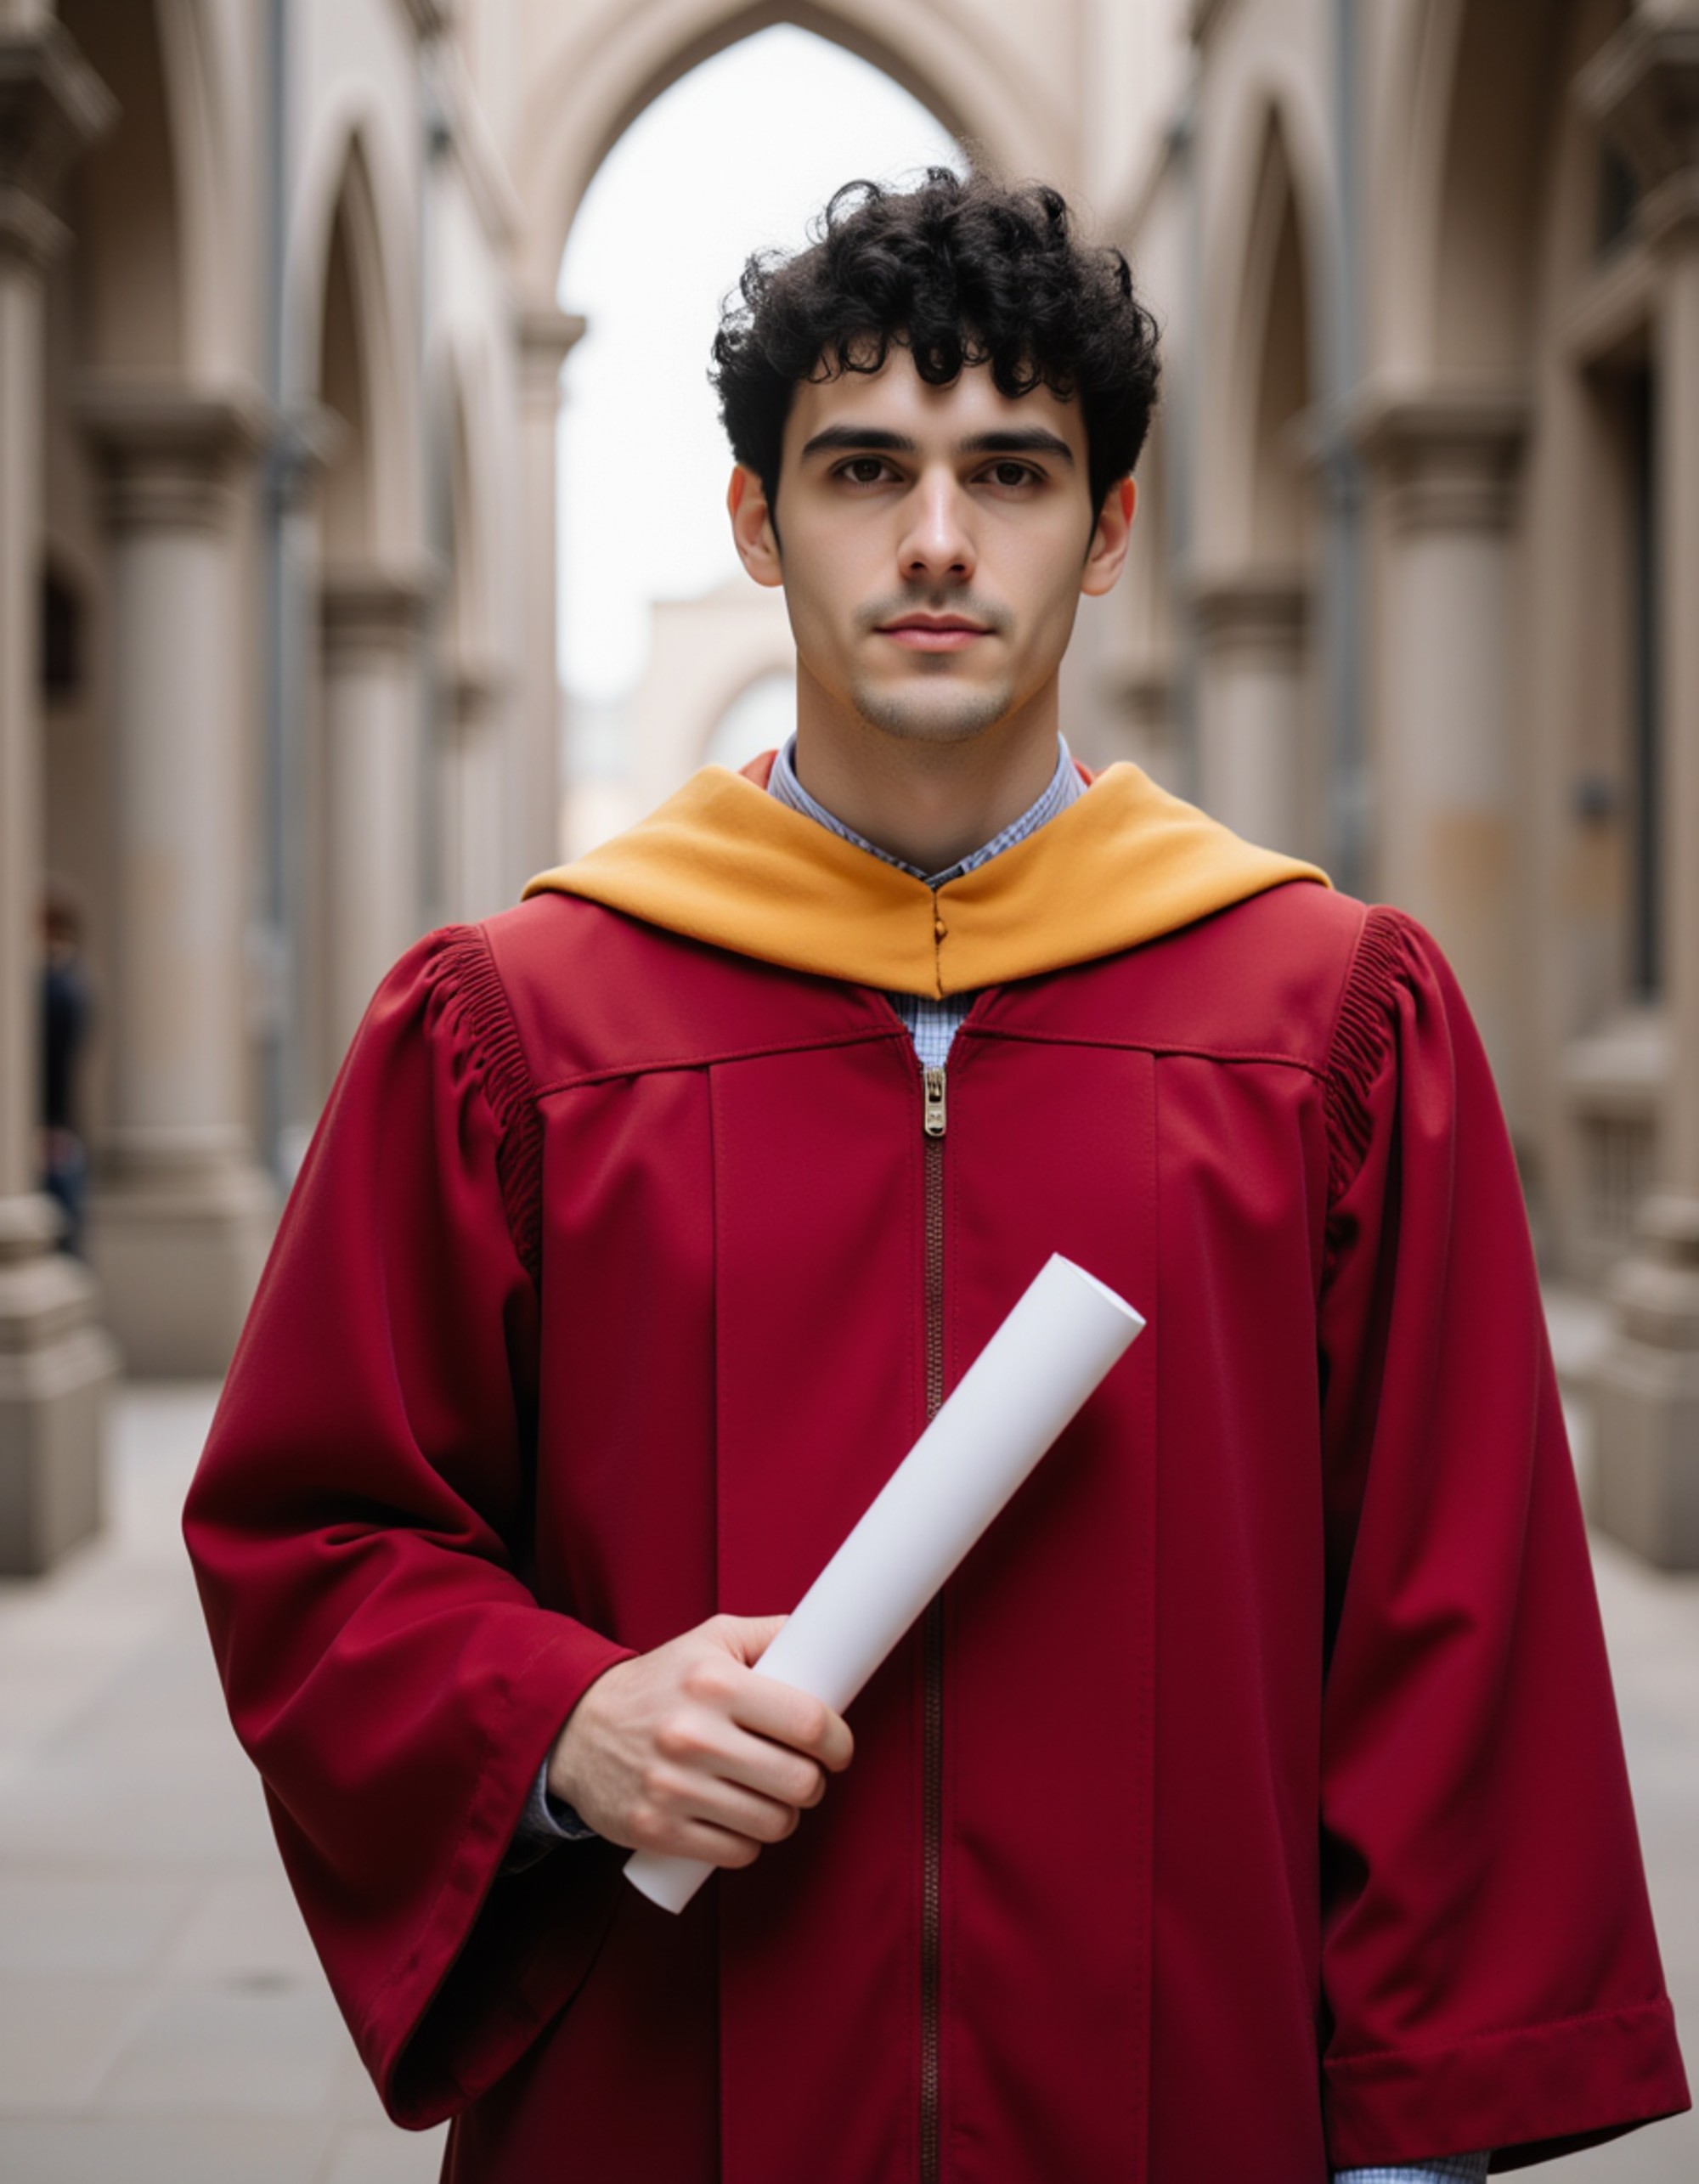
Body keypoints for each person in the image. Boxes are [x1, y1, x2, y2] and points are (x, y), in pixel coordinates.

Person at [185, 171, 1688, 2182]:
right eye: (862, 466)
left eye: (1012, 471)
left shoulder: (1325, 1018)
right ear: (753, 517)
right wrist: (555, 1721)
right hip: (665, 2102)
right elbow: (319, 1532)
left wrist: (1406, 2152)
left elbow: (1453, 1631)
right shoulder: (517, 1032)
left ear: (1111, 530)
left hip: (1179, 2108)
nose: (934, 539)